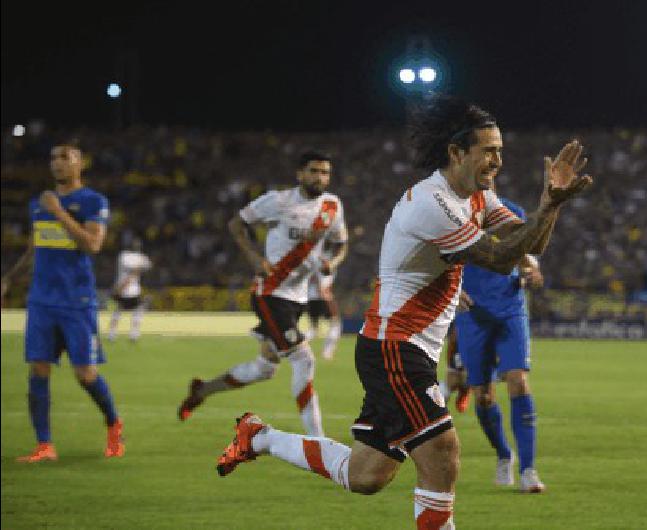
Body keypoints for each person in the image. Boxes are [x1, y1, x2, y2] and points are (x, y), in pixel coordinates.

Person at [213, 95, 592, 529]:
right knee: (443, 455)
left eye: (500, 151)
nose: (497, 161)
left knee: (366, 475)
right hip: (396, 347)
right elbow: (503, 256)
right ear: (456, 153)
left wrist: (553, 202)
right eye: (488, 151)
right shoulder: (433, 203)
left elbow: (530, 243)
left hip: (404, 350)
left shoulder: (479, 197)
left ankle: (259, 438)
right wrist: (548, 206)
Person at [178, 151, 348, 438]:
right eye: (314, 171)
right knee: (304, 359)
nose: (320, 178)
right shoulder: (278, 201)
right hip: (270, 293)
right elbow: (236, 224)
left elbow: (341, 244)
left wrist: (332, 262)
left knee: (265, 367)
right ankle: (318, 442)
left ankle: (203, 389)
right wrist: (254, 259)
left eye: (325, 173)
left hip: (298, 298)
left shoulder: (332, 206)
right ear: (300, 174)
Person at [0, 143, 124, 462]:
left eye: (64, 158)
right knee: (38, 369)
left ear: (79, 164)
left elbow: (93, 244)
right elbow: (34, 249)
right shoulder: (37, 204)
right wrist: (9, 279)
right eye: (52, 157)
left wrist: (59, 212)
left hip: (76, 301)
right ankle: (44, 445)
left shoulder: (93, 201)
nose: (57, 163)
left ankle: (113, 424)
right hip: (41, 300)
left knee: (85, 374)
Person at [454, 219, 546, 492]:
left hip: (510, 309)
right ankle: (504, 454)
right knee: (483, 395)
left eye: (491, 172)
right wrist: (451, 290)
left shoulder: (508, 215)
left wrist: (533, 271)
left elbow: (527, 257)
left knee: (518, 379)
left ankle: (529, 470)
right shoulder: (454, 214)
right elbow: (435, 260)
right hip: (471, 313)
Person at [305, 232, 348, 360]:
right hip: (323, 296)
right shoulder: (328, 260)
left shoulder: (311, 257)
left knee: (313, 328)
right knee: (336, 324)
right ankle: (327, 352)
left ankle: (295, 349)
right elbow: (323, 282)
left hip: (310, 297)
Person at [108, 237, 152, 342]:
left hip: (121, 288)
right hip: (131, 290)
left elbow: (147, 266)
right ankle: (133, 334)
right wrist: (140, 264)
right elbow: (148, 266)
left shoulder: (122, 255)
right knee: (137, 311)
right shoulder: (137, 257)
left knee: (118, 311)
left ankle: (112, 334)